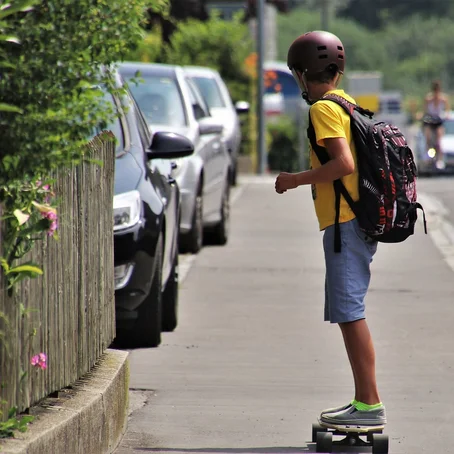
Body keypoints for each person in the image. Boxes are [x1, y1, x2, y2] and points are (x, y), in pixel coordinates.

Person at [274, 31, 386, 427]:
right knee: (348, 311)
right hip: (356, 220)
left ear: (304, 74)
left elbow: (343, 165)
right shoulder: (347, 102)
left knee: (350, 312)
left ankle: (370, 405)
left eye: (295, 75)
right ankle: (363, 401)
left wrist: (295, 179)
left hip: (346, 223)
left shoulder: (322, 109)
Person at [422, 80, 450, 170]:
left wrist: (446, 115)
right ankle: (428, 157)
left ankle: (439, 159)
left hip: (439, 121)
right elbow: (425, 111)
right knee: (428, 138)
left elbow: (447, 111)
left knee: (439, 140)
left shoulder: (443, 99)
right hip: (430, 121)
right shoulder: (428, 99)